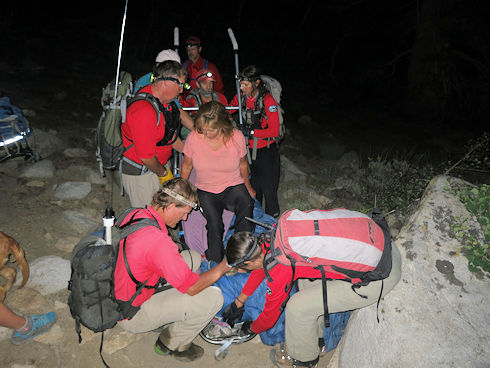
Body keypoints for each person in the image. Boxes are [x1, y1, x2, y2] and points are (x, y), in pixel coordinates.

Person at [222, 228, 402, 367]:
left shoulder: (280, 268)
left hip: (379, 276)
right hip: (382, 244)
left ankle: (304, 360)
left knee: (297, 307)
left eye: (241, 268)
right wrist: (240, 302)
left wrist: (250, 328)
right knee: (306, 285)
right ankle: (318, 341)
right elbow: (262, 266)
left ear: (250, 261)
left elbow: (269, 318)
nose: (240, 271)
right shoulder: (272, 235)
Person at [114, 177, 231, 362]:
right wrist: (225, 266)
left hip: (125, 287)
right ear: (169, 207)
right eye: (184, 213)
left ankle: (174, 306)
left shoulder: (139, 213)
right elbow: (192, 288)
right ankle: (173, 343)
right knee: (213, 297)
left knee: (192, 257)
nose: (184, 218)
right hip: (133, 312)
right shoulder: (159, 243)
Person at [181, 101, 255, 263]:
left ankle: (243, 255)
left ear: (222, 125)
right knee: (214, 224)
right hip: (206, 189)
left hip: (232, 184)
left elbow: (243, 164)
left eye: (211, 129)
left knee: (247, 205)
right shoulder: (194, 138)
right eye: (203, 129)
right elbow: (186, 167)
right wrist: (182, 191)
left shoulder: (236, 136)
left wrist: (248, 187)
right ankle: (215, 262)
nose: (206, 132)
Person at [121, 60, 190, 207]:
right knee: (149, 216)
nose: (182, 91)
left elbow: (169, 137)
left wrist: (189, 152)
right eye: (181, 85)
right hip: (143, 174)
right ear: (166, 82)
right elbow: (146, 157)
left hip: (160, 167)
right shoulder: (143, 110)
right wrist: (164, 174)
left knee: (164, 211)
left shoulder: (165, 103)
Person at [229, 65, 281, 217]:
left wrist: (251, 132)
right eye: (241, 84)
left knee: (268, 187)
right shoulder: (241, 98)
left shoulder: (268, 101)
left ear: (256, 83)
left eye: (246, 84)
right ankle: (256, 217)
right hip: (248, 149)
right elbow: (229, 109)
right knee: (253, 186)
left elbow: (274, 131)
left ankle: (272, 218)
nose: (242, 87)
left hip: (266, 150)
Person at [180, 68, 228, 141]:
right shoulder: (191, 99)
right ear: (198, 84)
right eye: (205, 83)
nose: (209, 86)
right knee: (185, 131)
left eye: (211, 83)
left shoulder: (220, 98)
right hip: (199, 130)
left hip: (217, 128)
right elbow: (183, 107)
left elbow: (228, 115)